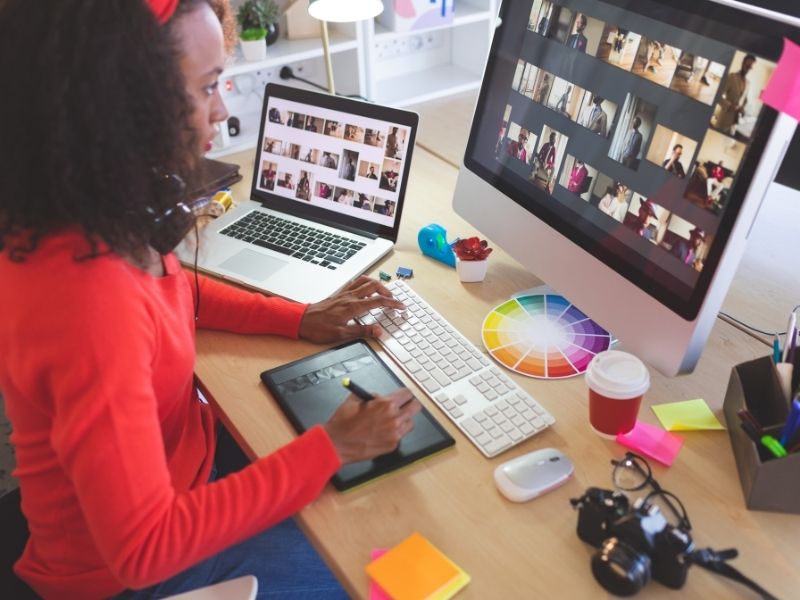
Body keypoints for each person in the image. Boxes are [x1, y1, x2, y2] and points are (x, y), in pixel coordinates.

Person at [0, 2, 426, 599]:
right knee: (378, 570)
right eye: (206, 88)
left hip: (189, 469)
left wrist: (299, 318)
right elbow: (145, 549)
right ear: (121, 105)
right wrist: (334, 447)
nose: (221, 112)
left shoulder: (88, 212)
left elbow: (175, 290)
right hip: (130, 576)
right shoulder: (87, 297)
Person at [713, 54, 755, 134]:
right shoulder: (732, 77)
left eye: (750, 67)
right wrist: (729, 105)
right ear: (743, 63)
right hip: (725, 118)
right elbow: (717, 95)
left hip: (735, 121)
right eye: (747, 65)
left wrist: (743, 108)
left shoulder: (748, 83)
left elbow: (745, 99)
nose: (748, 68)